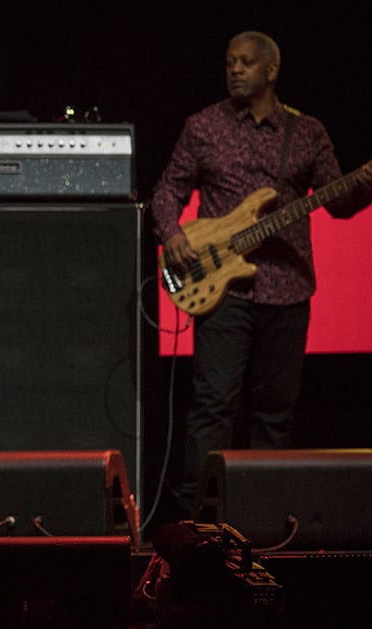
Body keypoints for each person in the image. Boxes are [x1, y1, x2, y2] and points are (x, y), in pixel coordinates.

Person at [151, 31, 372, 513]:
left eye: (246, 63)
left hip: (288, 291)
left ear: (271, 71)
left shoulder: (307, 131)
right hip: (223, 290)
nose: (235, 69)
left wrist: (363, 186)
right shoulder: (203, 126)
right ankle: (201, 517)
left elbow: (337, 203)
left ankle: (262, 515)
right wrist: (174, 236)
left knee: (275, 413)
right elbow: (167, 191)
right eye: (230, 61)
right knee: (214, 407)